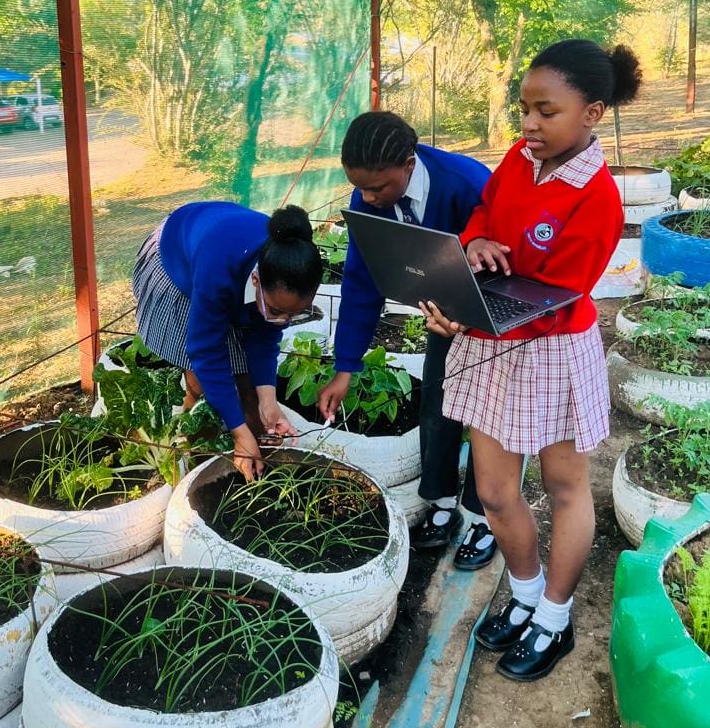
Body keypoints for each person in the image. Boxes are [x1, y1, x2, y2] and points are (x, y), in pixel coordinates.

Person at [423, 39, 642, 681]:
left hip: (551, 351)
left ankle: (554, 616)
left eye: (547, 112)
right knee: (495, 492)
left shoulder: (596, 198)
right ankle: (523, 594)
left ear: (592, 113)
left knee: (564, 487)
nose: (529, 124)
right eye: (524, 109)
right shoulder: (519, 161)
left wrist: (465, 312)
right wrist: (474, 245)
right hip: (490, 343)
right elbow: (483, 214)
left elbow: (556, 299)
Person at [317, 111, 496, 569]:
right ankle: (441, 502)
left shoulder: (466, 184)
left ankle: (484, 517)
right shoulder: (367, 197)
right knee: (437, 402)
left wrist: (473, 315)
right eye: (359, 188)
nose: (367, 197)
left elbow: (503, 258)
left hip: (490, 317)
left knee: (487, 417)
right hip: (441, 315)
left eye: (377, 188)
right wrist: (346, 366)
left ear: (409, 164)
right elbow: (361, 281)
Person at [132, 201, 322, 480]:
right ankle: (197, 457)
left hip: (225, 254)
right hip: (178, 258)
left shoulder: (285, 267)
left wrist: (268, 401)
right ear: (256, 281)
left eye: (294, 314)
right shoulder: (218, 273)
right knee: (200, 381)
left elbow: (265, 338)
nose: (283, 320)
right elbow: (205, 351)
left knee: (248, 381)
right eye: (277, 311)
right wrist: (239, 433)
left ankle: (253, 456)